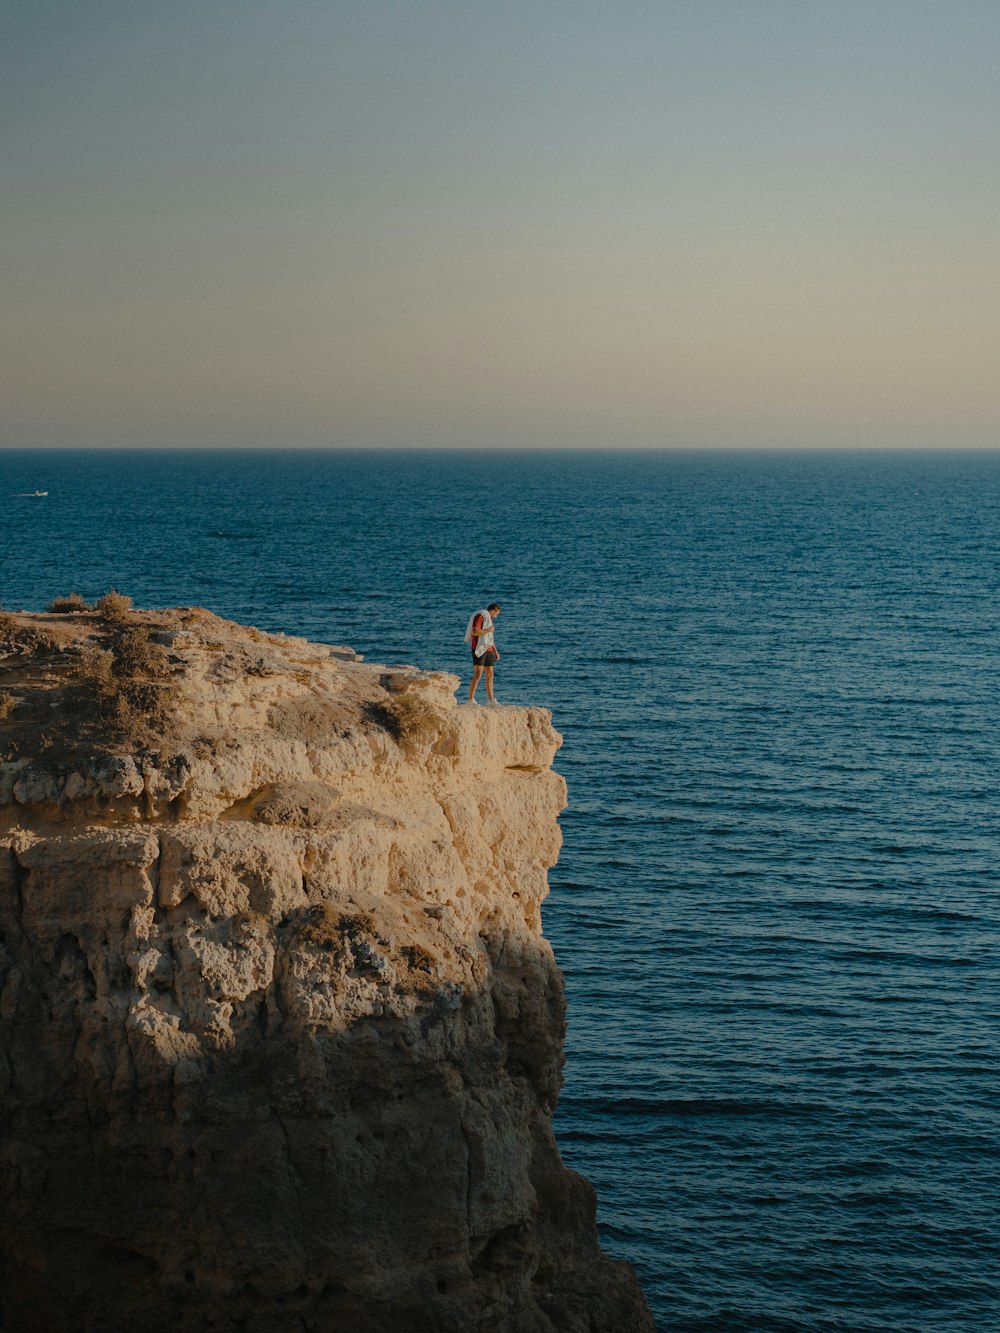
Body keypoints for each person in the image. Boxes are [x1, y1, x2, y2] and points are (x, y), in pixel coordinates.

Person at [464, 603, 501, 704]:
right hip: (478, 648)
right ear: (493, 611)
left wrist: (496, 651)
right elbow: (474, 632)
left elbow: (490, 638)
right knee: (478, 674)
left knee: (490, 674)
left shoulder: (489, 620)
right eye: (496, 614)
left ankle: (491, 700)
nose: (496, 616)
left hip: (489, 649)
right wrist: (489, 629)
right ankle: (470, 699)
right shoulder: (480, 616)